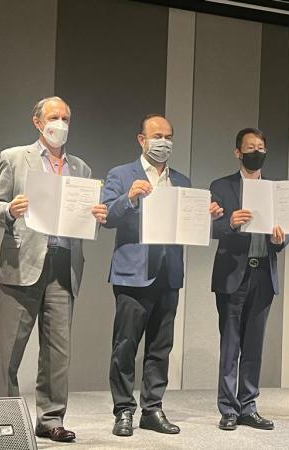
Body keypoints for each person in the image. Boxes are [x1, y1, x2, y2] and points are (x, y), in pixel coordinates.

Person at [0, 96, 108, 442]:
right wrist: (10, 209)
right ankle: (2, 423)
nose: (61, 124)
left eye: (66, 118)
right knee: (9, 350)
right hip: (22, 263)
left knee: (58, 351)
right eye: (54, 117)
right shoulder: (14, 158)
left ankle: (51, 419)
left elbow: (84, 220)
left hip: (64, 264)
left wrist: (97, 218)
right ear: (38, 122)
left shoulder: (81, 168)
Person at [102, 114, 222, 437]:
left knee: (160, 346)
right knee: (125, 346)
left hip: (169, 273)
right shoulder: (121, 174)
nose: (163, 143)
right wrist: (129, 198)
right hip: (132, 273)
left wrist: (207, 218)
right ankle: (123, 410)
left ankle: (152, 408)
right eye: (157, 136)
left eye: (168, 137)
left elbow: (189, 226)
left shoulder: (181, 180)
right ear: (141, 139)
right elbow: (106, 217)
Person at [210, 127, 288, 432]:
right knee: (231, 344)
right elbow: (210, 228)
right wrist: (230, 222)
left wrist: (280, 239)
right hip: (232, 274)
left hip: (263, 273)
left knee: (254, 346)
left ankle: (249, 406)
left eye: (261, 148)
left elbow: (285, 234)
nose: (256, 152)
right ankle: (228, 408)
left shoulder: (275, 189)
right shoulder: (221, 186)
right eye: (250, 147)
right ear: (238, 152)